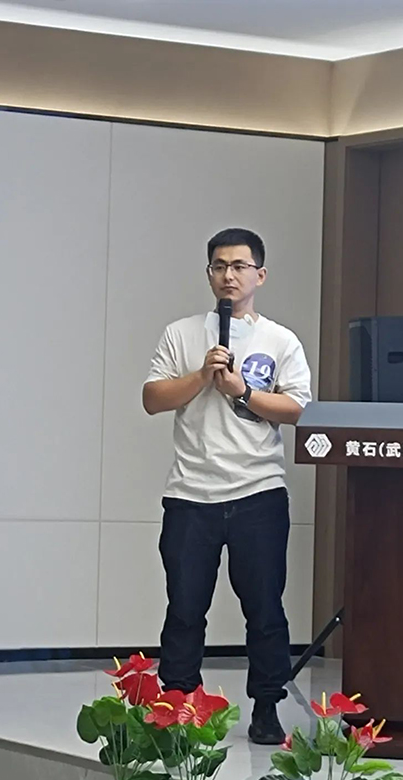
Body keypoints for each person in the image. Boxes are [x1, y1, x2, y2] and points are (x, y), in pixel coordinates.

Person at [142, 228, 311, 744]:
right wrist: (201, 376)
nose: (229, 276)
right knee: (185, 607)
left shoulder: (279, 340)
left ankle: (267, 707)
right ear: (209, 274)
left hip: (258, 491)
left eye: (239, 266)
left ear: (260, 275)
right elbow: (152, 398)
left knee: (265, 609)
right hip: (191, 494)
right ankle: (179, 705)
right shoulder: (181, 333)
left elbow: (298, 409)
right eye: (219, 266)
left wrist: (243, 391)